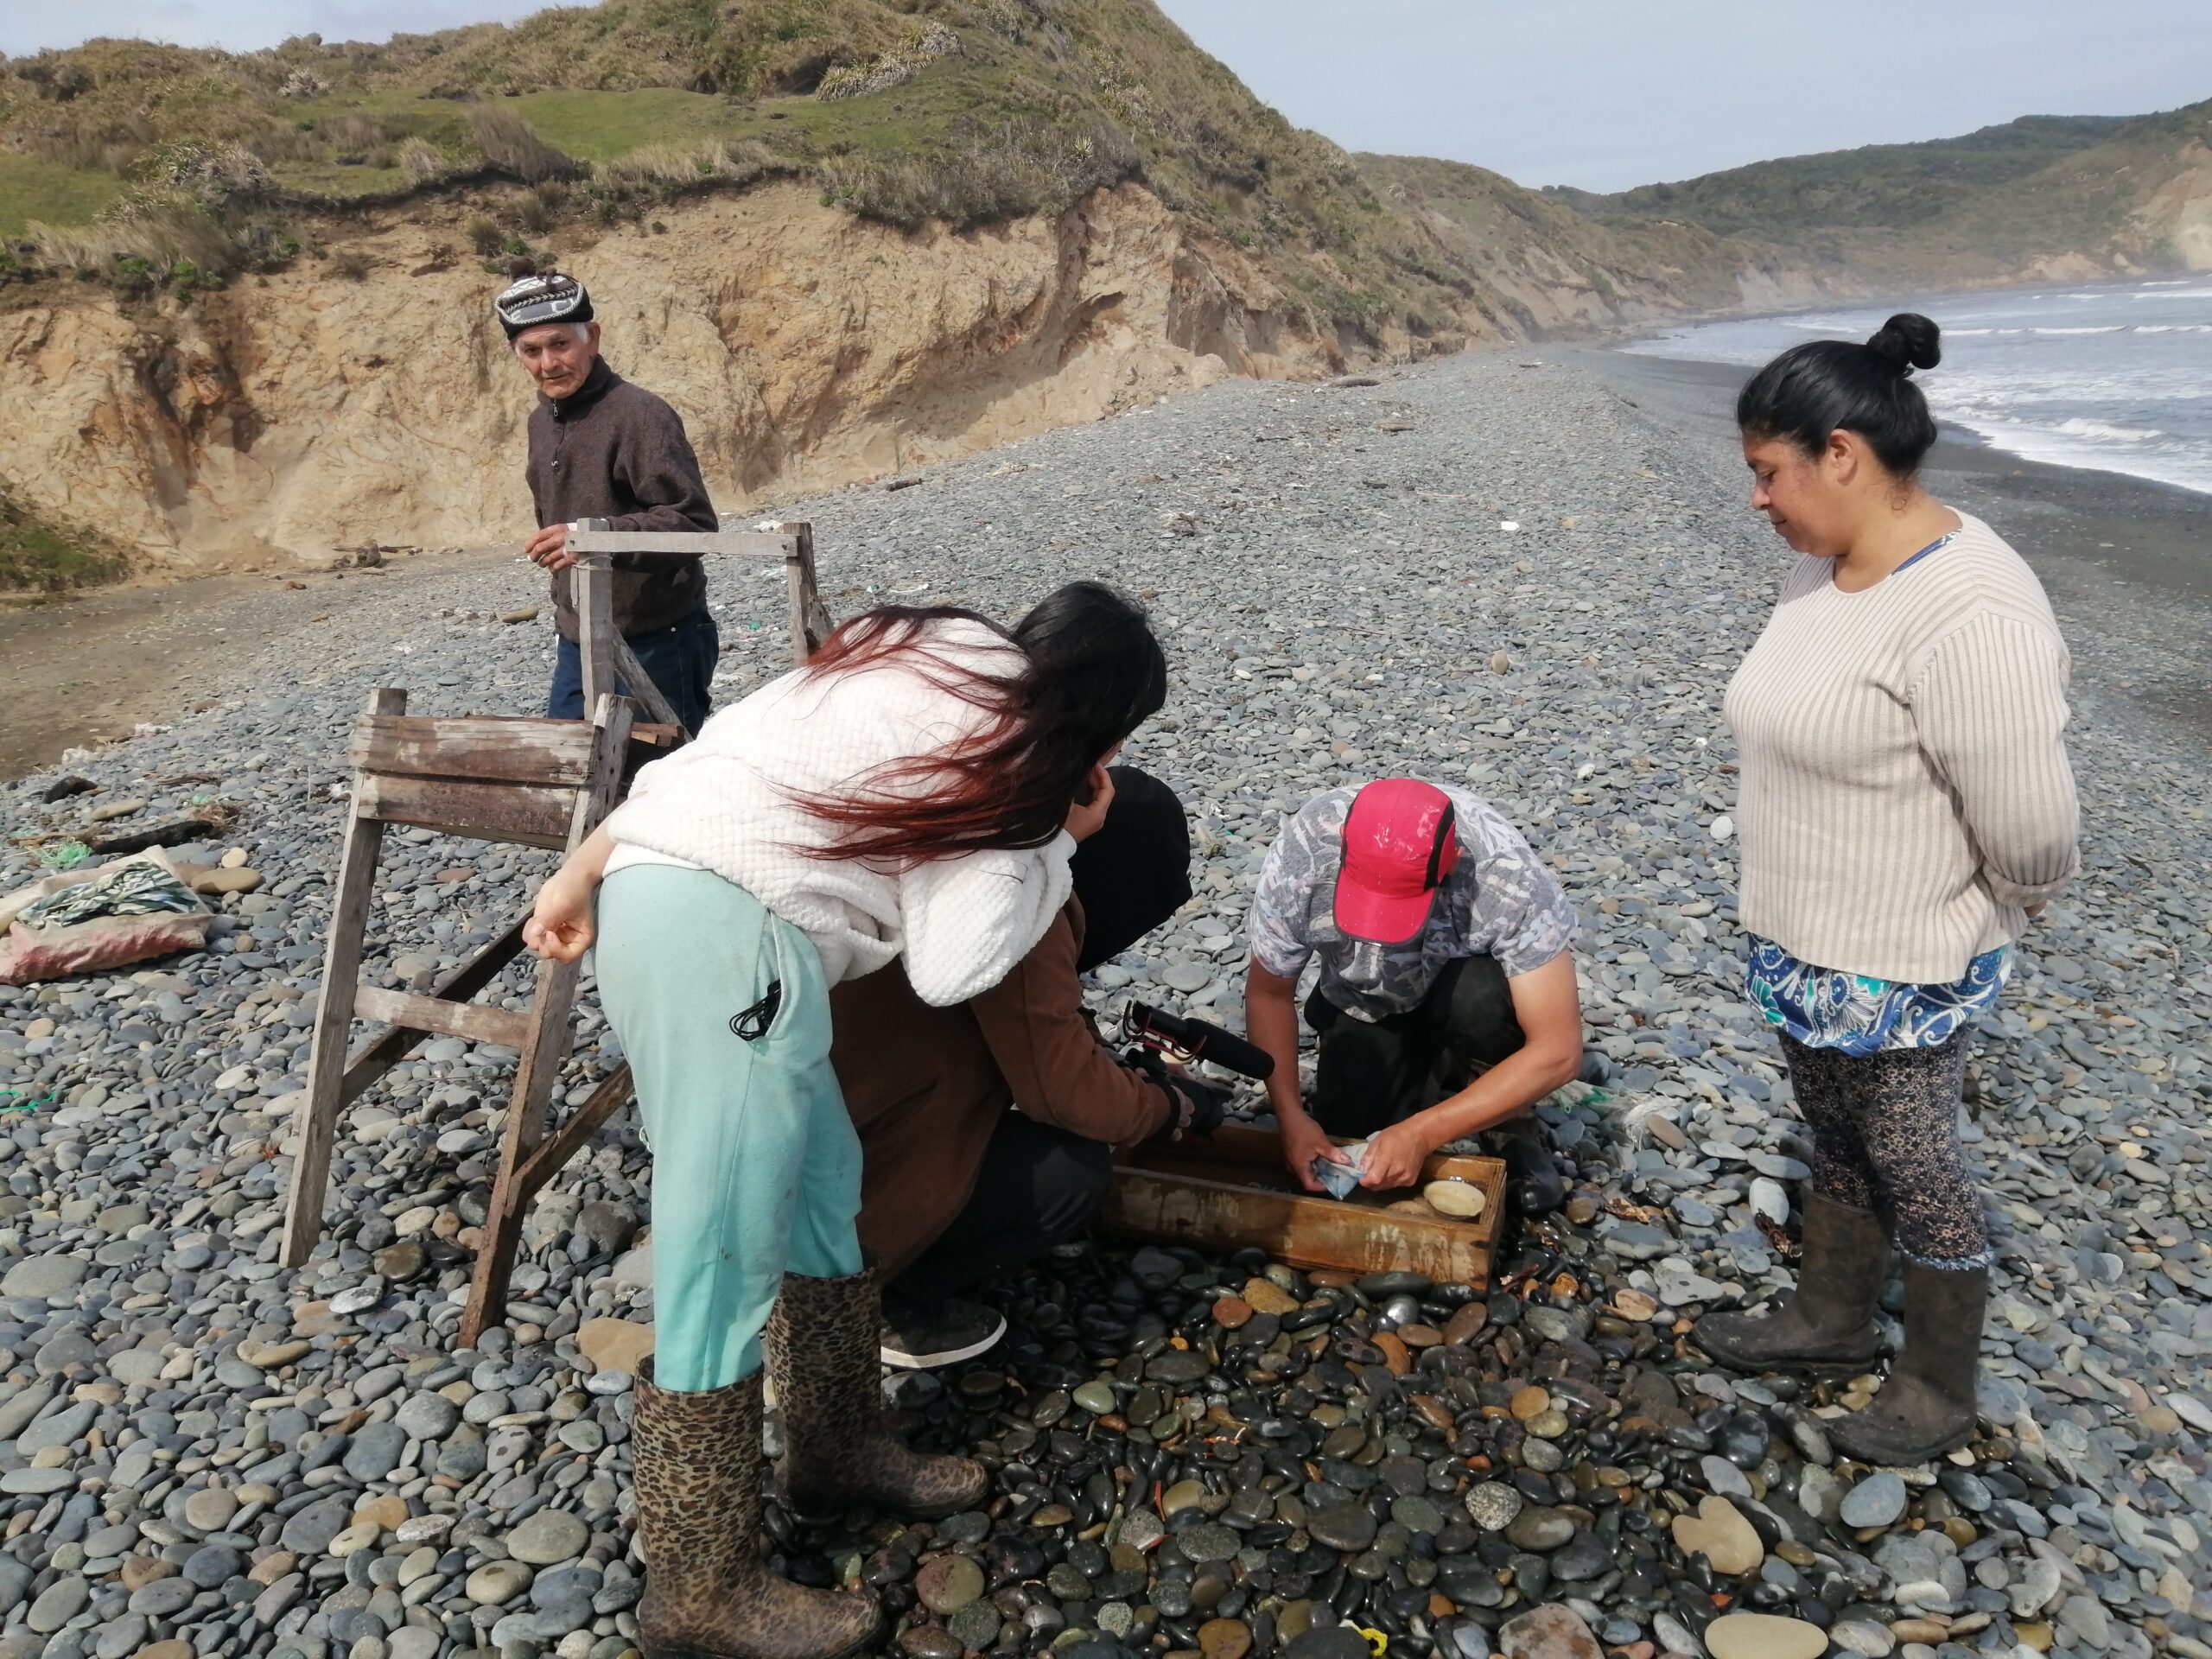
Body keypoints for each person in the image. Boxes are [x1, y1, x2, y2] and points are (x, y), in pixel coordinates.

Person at [522, 587, 1166, 1659]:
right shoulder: (1016, 759)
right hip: (734, 943)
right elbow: (953, 964)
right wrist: (1061, 840)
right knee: (720, 1258)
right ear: (1104, 729)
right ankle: (699, 1590)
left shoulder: (922, 647)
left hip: (662, 894)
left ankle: (835, 1449)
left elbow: (714, 759)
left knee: (826, 1194)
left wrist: (578, 871)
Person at [1692, 314, 2079, 1466]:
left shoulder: (1971, 607)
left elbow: (2033, 826)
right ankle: (1831, 1316)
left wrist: (1994, 910)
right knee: (1833, 1133)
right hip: (1804, 936)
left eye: (1769, 472)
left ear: (1842, 454)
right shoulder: (1824, 568)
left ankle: (1939, 1382)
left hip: (1906, 954)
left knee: (1915, 1159)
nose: (1758, 498)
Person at [833, 760, 1200, 1369]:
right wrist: (1162, 1108)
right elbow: (1062, 1092)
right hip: (844, 1195)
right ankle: (888, 1297)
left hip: (817, 1137)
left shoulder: (959, 853)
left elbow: (1041, 1024)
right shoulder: (1024, 906)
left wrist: (1119, 1072)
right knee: (1069, 1170)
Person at [1243, 778, 1589, 1215]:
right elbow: (1268, 995)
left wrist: (1425, 1132)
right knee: (1353, 1142)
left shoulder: (1506, 872)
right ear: (1342, 846)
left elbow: (1559, 1050)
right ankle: (1429, 1068)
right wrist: (1291, 1116)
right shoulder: (1303, 857)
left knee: (1480, 1003)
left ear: (1453, 861)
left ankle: (1507, 1120)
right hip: (1364, 996)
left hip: (1462, 987)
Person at [496, 271, 721, 734]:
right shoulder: (541, 424)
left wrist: (593, 538)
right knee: (567, 767)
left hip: (659, 638)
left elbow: (693, 524)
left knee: (655, 773)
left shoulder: (641, 414)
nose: (548, 364)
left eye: (560, 344)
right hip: (578, 638)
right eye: (531, 351)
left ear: (592, 338)